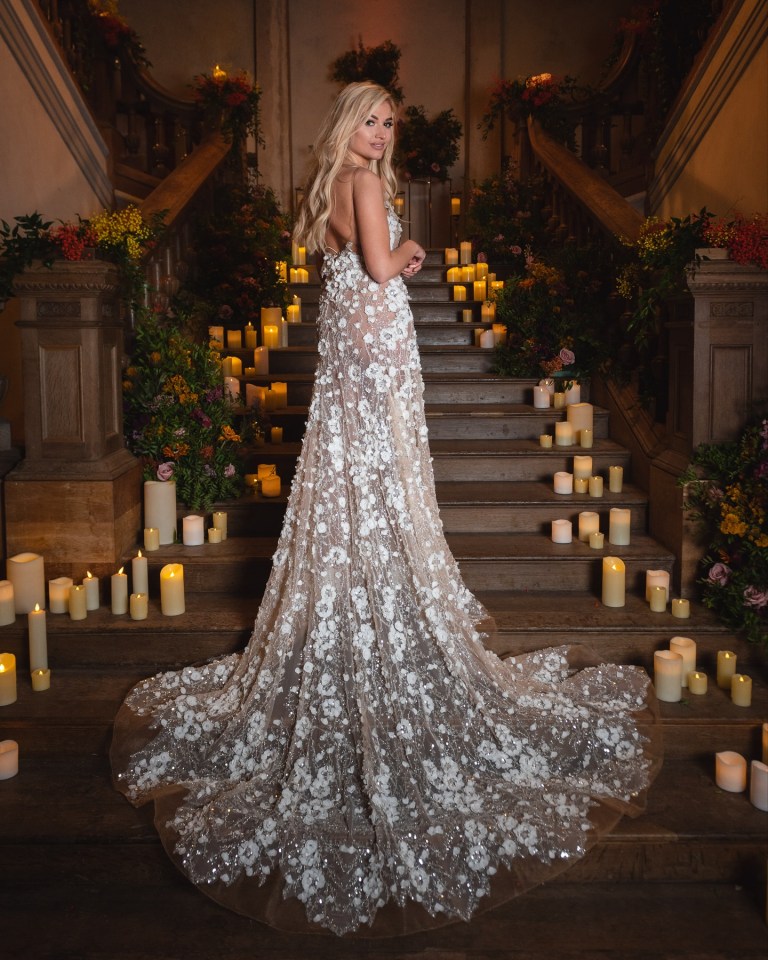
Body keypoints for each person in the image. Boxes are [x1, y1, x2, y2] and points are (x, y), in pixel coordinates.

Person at [110, 81, 661, 938]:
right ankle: (383, 609)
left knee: (354, 487)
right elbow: (375, 267)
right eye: (369, 120)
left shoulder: (330, 183)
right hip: (373, 356)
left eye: (387, 123)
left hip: (354, 361)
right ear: (346, 125)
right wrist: (410, 253)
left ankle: (365, 599)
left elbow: (343, 270)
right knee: (381, 484)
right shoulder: (365, 185)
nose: (378, 133)